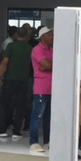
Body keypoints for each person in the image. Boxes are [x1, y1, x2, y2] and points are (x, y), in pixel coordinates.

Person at [0, 25, 32, 139]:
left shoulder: (11, 46)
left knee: (5, 104)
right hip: (23, 80)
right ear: (26, 36)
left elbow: (4, 63)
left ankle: (2, 129)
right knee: (20, 106)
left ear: (16, 35)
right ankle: (16, 131)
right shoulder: (29, 48)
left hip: (10, 79)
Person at [29, 26, 54, 154]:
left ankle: (47, 141)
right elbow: (46, 65)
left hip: (52, 88)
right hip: (41, 88)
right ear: (42, 36)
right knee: (37, 115)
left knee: (48, 117)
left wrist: (49, 65)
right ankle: (33, 142)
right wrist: (48, 65)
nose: (52, 36)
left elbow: (57, 64)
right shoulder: (37, 50)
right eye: (49, 35)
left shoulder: (52, 49)